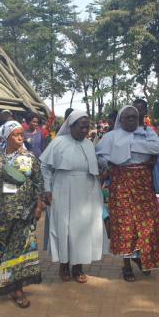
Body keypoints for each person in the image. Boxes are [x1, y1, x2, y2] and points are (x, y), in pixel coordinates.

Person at [0, 120, 43, 308]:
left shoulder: (30, 158)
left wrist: (38, 206)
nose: (21, 137)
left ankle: (16, 288)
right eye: (15, 134)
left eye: (22, 134)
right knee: (1, 250)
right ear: (6, 136)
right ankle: (9, 284)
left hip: (23, 214)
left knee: (19, 250)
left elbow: (38, 183)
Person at [96, 105, 159, 281]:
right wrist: (113, 162)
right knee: (125, 225)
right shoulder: (111, 136)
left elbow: (157, 149)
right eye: (128, 118)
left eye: (135, 117)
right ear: (121, 119)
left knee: (148, 223)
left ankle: (142, 258)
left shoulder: (148, 132)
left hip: (143, 184)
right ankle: (126, 265)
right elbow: (101, 156)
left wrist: (128, 148)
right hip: (121, 183)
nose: (132, 120)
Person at [40, 110, 103, 283]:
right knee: (64, 228)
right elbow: (45, 167)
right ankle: (63, 265)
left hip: (86, 190)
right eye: (81, 127)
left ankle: (78, 267)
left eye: (86, 127)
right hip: (63, 187)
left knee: (82, 229)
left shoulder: (89, 144)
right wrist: (47, 189)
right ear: (71, 126)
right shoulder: (58, 142)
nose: (84, 130)